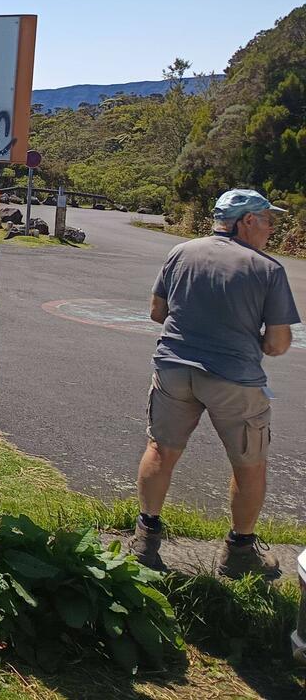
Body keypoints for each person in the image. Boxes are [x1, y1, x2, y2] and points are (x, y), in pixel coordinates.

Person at [131, 189, 300, 577]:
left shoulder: (182, 252)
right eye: (268, 220)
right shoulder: (267, 269)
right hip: (235, 379)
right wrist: (248, 338)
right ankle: (239, 551)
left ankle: (145, 539)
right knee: (249, 464)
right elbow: (278, 342)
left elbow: (158, 312)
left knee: (161, 450)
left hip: (174, 368)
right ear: (247, 221)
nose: (272, 229)